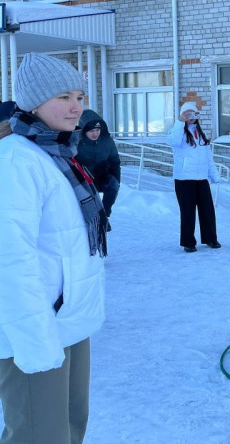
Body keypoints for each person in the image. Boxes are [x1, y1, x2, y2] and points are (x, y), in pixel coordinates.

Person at [0, 52, 106, 444]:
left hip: (68, 318)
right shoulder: (16, 161)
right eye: (63, 97)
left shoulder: (59, 154)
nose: (77, 107)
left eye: (79, 96)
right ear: (33, 103)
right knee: (39, 434)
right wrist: (35, 340)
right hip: (34, 326)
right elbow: (9, 261)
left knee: (72, 425)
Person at [166, 101, 221, 253]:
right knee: (188, 212)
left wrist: (214, 175)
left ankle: (210, 238)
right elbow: (173, 141)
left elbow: (208, 158)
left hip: (201, 178)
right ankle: (188, 242)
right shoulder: (176, 131)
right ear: (182, 115)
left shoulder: (201, 134)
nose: (191, 116)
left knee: (207, 210)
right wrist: (180, 122)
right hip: (184, 179)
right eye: (187, 113)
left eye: (194, 113)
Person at [76, 109, 121, 230]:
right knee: (87, 198)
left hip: (101, 176)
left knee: (113, 185)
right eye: (91, 131)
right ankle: (89, 220)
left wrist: (117, 180)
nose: (95, 133)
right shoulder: (77, 142)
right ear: (84, 130)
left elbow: (115, 161)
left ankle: (104, 216)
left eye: (97, 130)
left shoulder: (107, 141)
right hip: (83, 178)